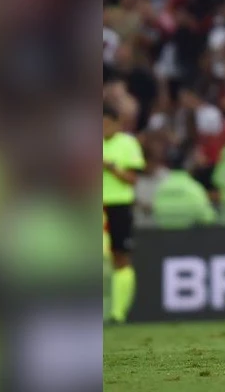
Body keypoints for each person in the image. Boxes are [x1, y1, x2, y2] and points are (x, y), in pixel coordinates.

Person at [103, 103, 146, 324]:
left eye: (106, 124)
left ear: (116, 124)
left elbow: (132, 179)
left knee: (120, 256)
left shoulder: (128, 144)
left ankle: (118, 313)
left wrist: (110, 167)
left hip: (119, 205)